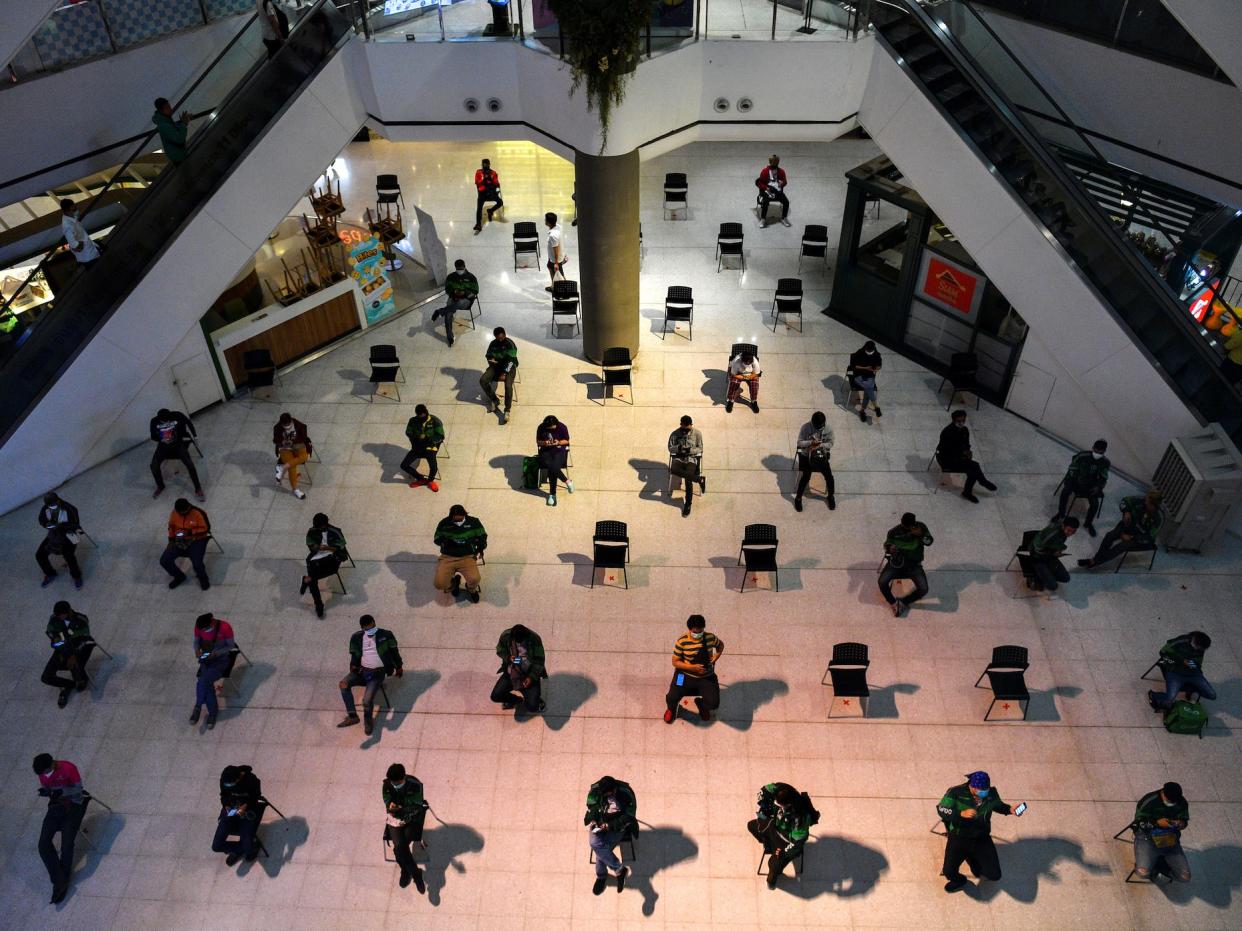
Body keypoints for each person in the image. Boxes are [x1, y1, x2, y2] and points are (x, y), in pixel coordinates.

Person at [937, 771, 1021, 892]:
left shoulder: (991, 793)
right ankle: (959, 880)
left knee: (994, 875)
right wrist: (961, 814)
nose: (985, 791)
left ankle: (971, 856)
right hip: (959, 836)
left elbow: (997, 805)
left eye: (986, 788)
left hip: (981, 836)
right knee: (949, 872)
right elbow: (942, 809)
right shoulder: (955, 792)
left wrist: (1009, 809)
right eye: (982, 789)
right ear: (972, 786)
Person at [33, 753, 87, 903]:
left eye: (44, 771)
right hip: (55, 807)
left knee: (67, 844)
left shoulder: (68, 768)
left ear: (51, 765)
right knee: (43, 845)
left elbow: (79, 789)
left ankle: (60, 881)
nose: (43, 775)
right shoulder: (43, 775)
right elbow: (48, 788)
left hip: (73, 805)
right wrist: (48, 792)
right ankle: (60, 879)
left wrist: (62, 791)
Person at [338, 615, 404, 736]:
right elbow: (354, 655)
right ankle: (353, 716)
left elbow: (395, 652)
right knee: (343, 684)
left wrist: (399, 666)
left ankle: (368, 720)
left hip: (377, 674)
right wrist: (353, 666)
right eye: (367, 629)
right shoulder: (357, 638)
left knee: (367, 701)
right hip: (362, 672)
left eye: (372, 627)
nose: (370, 630)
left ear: (374, 623)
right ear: (362, 628)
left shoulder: (386, 635)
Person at [748, 782, 816, 890]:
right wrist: (763, 804)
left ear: (788, 804)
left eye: (779, 804)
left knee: (773, 865)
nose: (776, 804)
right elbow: (764, 791)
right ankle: (769, 844)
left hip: (787, 842)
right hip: (775, 827)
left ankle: (772, 882)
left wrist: (783, 853)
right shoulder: (780, 789)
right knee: (751, 826)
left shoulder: (800, 818)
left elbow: (797, 842)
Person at [1078, 489, 1164, 569]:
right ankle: (1096, 559)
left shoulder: (1157, 519)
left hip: (1139, 537)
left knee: (1120, 546)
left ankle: (1095, 561)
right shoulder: (1141, 501)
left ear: (1153, 506)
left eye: (1147, 502)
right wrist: (1126, 511)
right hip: (1129, 525)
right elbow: (1125, 501)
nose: (1145, 502)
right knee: (1110, 535)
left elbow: (1149, 538)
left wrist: (1131, 538)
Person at [664, 614, 724, 724]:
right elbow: (675, 662)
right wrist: (692, 667)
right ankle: (672, 709)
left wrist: (717, 655)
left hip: (707, 676)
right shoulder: (682, 641)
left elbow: (720, 645)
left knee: (714, 703)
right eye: (695, 632)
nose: (698, 635)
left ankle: (702, 704)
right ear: (689, 629)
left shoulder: (710, 637)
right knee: (672, 697)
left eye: (700, 632)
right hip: (684, 675)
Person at [584, 776, 635, 895]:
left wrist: (609, 826)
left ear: (613, 790)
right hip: (600, 822)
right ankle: (619, 869)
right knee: (596, 844)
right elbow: (591, 807)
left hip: (617, 827)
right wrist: (594, 821)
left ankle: (601, 877)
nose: (604, 797)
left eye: (606, 794)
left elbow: (628, 817)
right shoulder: (596, 791)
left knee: (600, 848)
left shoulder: (627, 794)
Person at [1132, 782, 1191, 882]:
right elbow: (1138, 824)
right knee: (1143, 873)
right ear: (1163, 793)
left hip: (1170, 839)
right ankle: (1152, 862)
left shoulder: (1181, 802)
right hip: (1147, 837)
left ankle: (1162, 863)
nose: (1172, 803)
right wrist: (1156, 823)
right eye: (1169, 801)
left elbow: (1184, 821)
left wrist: (1181, 824)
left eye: (1174, 802)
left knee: (1185, 877)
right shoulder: (1150, 800)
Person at [384, 763, 428, 893]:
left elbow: (417, 803)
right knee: (400, 849)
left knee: (399, 850)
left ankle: (406, 870)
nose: (394, 785)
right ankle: (415, 873)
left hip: (411, 819)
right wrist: (391, 807)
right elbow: (387, 800)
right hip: (395, 820)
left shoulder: (415, 785)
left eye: (396, 782)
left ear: (403, 778)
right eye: (392, 782)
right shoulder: (387, 785)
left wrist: (401, 807)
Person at [936, 409, 997, 503]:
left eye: (963, 421)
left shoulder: (964, 430)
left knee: (972, 469)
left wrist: (968, 451)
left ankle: (970, 489)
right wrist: (962, 455)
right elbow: (947, 451)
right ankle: (981, 482)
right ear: (953, 420)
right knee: (974, 467)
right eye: (958, 421)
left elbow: (966, 444)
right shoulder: (947, 432)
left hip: (959, 457)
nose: (961, 423)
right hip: (948, 460)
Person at [879, 512, 933, 617]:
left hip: (914, 565)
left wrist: (921, 535)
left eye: (909, 527)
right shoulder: (894, 532)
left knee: (924, 589)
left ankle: (904, 602)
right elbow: (887, 547)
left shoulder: (921, 527)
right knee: (882, 582)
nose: (907, 529)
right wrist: (890, 549)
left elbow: (929, 542)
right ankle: (893, 602)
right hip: (896, 563)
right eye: (905, 526)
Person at [1147, 631, 1216, 712]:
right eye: (1198, 647)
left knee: (1212, 695)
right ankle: (1155, 695)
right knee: (1169, 699)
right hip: (1175, 673)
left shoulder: (1201, 648)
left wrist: (1193, 666)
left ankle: (1190, 689)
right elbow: (1163, 652)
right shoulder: (1182, 641)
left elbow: (1198, 663)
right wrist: (1181, 661)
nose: (1199, 650)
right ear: (1194, 640)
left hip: (1193, 673)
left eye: (1201, 649)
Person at [42, 601, 94, 708]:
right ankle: (69, 685)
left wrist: (73, 654)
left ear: (69, 612)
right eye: (58, 615)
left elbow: (85, 638)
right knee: (46, 677)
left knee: (77, 673)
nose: (60, 617)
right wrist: (57, 639)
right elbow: (50, 632)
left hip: (80, 648)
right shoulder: (54, 619)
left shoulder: (80, 619)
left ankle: (79, 679)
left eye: (62, 614)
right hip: (62, 649)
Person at [1053, 439, 1110, 535]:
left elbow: (1103, 478)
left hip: (1091, 486)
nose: (1098, 453)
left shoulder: (1105, 462)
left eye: (1101, 452)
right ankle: (1061, 514)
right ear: (1093, 448)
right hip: (1076, 481)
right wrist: (1071, 482)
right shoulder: (1082, 456)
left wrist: (1098, 487)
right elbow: (1072, 469)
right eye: (1096, 451)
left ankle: (1088, 523)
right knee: (1065, 492)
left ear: (1104, 452)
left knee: (1095, 504)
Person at [433, 505, 486, 603]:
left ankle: (471, 589)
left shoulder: (474, 522)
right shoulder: (444, 523)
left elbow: (482, 536)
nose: (458, 522)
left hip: (467, 556)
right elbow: (436, 539)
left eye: (460, 519)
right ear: (451, 516)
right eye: (455, 520)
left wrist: (481, 547)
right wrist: (445, 541)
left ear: (464, 514)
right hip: (448, 557)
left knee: (475, 579)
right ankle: (454, 584)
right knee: (439, 583)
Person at [191, 613, 235, 728]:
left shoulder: (225, 627)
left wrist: (215, 654)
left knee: (203, 680)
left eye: (206, 629)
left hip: (221, 659)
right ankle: (212, 713)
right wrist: (196, 650)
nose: (204, 632)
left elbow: (230, 646)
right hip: (206, 657)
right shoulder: (199, 626)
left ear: (212, 622)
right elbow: (196, 641)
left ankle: (198, 706)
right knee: (206, 682)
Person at [490, 624, 547, 713]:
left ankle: (536, 700)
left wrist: (531, 677)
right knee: (496, 696)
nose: (519, 644)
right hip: (511, 672)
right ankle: (515, 700)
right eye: (517, 641)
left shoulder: (534, 639)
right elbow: (499, 650)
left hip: (528, 673)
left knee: (532, 707)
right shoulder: (506, 636)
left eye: (521, 641)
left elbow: (539, 661)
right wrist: (508, 657)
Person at [150, 407, 204, 500]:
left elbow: (188, 422)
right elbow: (153, 436)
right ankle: (160, 486)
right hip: (163, 445)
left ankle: (198, 488)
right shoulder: (154, 421)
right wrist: (161, 439)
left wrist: (195, 435)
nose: (165, 423)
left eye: (167, 421)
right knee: (153, 465)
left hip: (178, 444)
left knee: (189, 464)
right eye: (163, 422)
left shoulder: (177, 415)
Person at [213, 765, 262, 865]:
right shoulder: (225, 780)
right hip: (231, 809)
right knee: (216, 846)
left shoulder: (251, 780)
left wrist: (245, 806)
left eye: (231, 784)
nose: (229, 786)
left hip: (249, 810)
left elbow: (256, 796)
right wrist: (226, 806)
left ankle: (247, 848)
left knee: (247, 839)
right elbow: (223, 796)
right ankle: (244, 847)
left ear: (238, 778)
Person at [301, 513, 348, 618]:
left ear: (325, 524)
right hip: (317, 556)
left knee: (312, 579)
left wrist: (327, 548)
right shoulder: (313, 530)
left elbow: (341, 546)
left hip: (333, 557)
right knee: (313, 576)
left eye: (320, 527)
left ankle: (307, 580)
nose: (317, 529)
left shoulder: (335, 531)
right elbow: (309, 543)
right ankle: (318, 603)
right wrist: (315, 547)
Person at [161, 497, 212, 590]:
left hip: (197, 539)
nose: (183, 514)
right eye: (181, 513)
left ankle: (203, 578)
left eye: (185, 512)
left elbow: (206, 528)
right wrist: (171, 540)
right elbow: (171, 527)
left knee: (197, 563)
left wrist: (189, 533)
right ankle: (179, 576)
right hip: (179, 539)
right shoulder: (174, 513)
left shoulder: (198, 513)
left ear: (189, 507)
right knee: (164, 560)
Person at [37, 492, 83, 589]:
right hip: (54, 535)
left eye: (53, 505)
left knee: (68, 555)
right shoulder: (46, 508)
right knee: (40, 555)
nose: (51, 507)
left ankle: (76, 576)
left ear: (58, 500)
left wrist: (62, 526)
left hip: (69, 535)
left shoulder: (70, 509)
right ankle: (50, 573)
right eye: (49, 505)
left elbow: (75, 526)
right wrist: (47, 525)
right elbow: (42, 520)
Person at [1024, 516, 1079, 592]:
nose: (1070, 533)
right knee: (1052, 586)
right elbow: (1037, 547)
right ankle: (1034, 576)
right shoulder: (1052, 534)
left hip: (1049, 556)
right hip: (1037, 557)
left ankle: (1046, 575)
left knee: (1065, 578)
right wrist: (1052, 553)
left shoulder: (1063, 533)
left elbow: (1054, 545)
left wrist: (1057, 550)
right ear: (1063, 526)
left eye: (1073, 532)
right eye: (1069, 530)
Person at [794, 411, 835, 512]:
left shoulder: (828, 429)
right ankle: (798, 498)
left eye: (821, 428)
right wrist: (810, 443)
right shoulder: (805, 427)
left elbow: (830, 443)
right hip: (806, 455)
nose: (819, 429)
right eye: (816, 428)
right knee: (805, 477)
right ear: (812, 423)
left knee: (829, 477)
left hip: (821, 455)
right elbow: (799, 443)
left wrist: (820, 445)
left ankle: (831, 496)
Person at [431, 259, 478, 347]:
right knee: (448, 313)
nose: (459, 270)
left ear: (464, 266)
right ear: (455, 268)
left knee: (459, 303)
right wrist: (454, 292)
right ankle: (450, 336)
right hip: (454, 297)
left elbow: (475, 291)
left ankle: (440, 311)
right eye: (458, 269)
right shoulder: (451, 277)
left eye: (461, 268)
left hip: (466, 300)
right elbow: (447, 289)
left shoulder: (471, 278)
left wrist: (465, 293)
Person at [668, 415, 706, 517]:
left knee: (688, 480)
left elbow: (700, 448)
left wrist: (691, 450)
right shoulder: (675, 434)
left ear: (691, 424)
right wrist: (678, 448)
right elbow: (670, 448)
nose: (686, 430)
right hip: (679, 458)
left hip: (691, 459)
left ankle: (688, 504)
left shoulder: (697, 433)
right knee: (673, 469)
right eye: (684, 427)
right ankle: (699, 479)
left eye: (687, 427)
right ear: (681, 425)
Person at [401, 404, 444, 492]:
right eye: (420, 415)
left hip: (430, 447)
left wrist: (427, 439)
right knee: (404, 465)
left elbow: (440, 436)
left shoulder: (435, 421)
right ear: (417, 415)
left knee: (434, 467)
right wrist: (417, 438)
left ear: (426, 412)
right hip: (417, 447)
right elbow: (408, 432)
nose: (422, 417)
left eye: (424, 415)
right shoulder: (413, 421)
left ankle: (430, 480)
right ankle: (420, 478)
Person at [480, 326, 518, 424]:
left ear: (505, 335)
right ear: (495, 337)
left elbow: (511, 361)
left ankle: (507, 410)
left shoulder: (510, 344)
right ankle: (495, 400)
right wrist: (491, 361)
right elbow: (488, 355)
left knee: (508, 385)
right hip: (496, 366)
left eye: (502, 337)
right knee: (483, 380)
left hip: (509, 367)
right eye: (498, 338)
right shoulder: (493, 344)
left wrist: (505, 372)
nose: (501, 340)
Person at [273, 412, 312, 500]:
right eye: (285, 426)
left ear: (291, 421)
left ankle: (282, 467)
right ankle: (295, 489)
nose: (287, 427)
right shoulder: (277, 427)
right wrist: (282, 442)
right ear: (281, 424)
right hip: (285, 448)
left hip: (298, 445)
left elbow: (304, 437)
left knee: (304, 457)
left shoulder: (300, 425)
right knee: (292, 467)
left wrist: (293, 441)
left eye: (289, 425)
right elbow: (275, 440)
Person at [537, 414, 572, 507]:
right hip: (546, 451)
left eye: (551, 429)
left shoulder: (562, 427)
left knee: (553, 468)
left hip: (559, 450)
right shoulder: (541, 427)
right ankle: (567, 481)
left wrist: (559, 442)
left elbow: (567, 441)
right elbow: (538, 441)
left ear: (556, 424)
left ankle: (552, 494)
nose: (549, 430)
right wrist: (544, 443)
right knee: (552, 467)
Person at [848, 340, 882, 421]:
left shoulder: (877, 355)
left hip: (870, 375)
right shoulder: (860, 353)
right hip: (858, 375)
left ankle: (863, 411)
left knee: (868, 388)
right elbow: (853, 366)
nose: (869, 352)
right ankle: (875, 406)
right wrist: (866, 368)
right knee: (869, 387)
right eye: (868, 351)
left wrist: (876, 369)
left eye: (871, 351)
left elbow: (879, 366)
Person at [59, 199, 99, 268]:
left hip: (91, 253)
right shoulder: (67, 224)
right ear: (71, 207)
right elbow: (73, 244)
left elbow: (77, 213)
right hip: (88, 257)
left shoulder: (71, 216)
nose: (76, 207)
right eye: (74, 205)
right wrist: (80, 244)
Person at [152, 97, 191, 164]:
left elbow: (173, 132)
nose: (170, 109)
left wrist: (182, 123)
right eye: (167, 108)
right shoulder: (164, 125)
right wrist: (183, 124)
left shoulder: (166, 121)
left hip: (179, 156)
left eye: (169, 107)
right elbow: (179, 139)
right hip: (179, 158)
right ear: (161, 111)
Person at [754, 154, 790, 228]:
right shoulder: (765, 171)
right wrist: (766, 188)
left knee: (786, 202)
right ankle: (763, 219)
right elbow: (759, 183)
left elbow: (785, 182)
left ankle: (784, 218)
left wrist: (782, 184)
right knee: (765, 201)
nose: (776, 164)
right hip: (767, 190)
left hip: (777, 191)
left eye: (777, 162)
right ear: (770, 162)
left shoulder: (781, 171)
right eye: (774, 163)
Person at [473, 158, 503, 232]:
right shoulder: (478, 172)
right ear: (482, 165)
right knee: (479, 209)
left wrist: (495, 183)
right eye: (484, 164)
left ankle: (490, 211)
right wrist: (484, 179)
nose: (485, 165)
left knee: (500, 202)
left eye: (487, 164)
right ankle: (478, 224)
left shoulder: (493, 173)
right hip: (482, 194)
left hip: (491, 193)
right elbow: (477, 182)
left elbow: (496, 183)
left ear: (489, 164)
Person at [545, 212, 568, 291]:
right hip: (555, 256)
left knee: (560, 274)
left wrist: (556, 263)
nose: (545, 220)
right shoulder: (558, 227)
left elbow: (556, 248)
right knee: (549, 266)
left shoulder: (553, 235)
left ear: (548, 222)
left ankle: (565, 289)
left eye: (546, 219)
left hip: (555, 259)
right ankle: (554, 286)